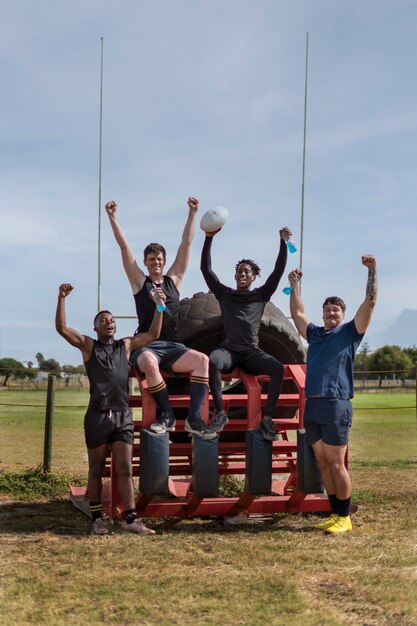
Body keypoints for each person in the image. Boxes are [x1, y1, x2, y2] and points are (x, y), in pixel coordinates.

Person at [56, 282, 166, 536]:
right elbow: (62, 328)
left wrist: (160, 306)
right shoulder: (88, 347)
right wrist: (61, 298)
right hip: (97, 417)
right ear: (95, 328)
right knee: (96, 469)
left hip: (122, 416)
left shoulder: (125, 346)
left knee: (125, 470)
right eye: (103, 320)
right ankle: (97, 519)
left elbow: (152, 335)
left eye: (111, 319)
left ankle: (131, 519)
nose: (108, 322)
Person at [105, 198, 215, 441]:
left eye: (159, 258)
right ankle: (166, 415)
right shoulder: (139, 282)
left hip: (173, 347)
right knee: (150, 363)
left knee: (202, 361)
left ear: (164, 262)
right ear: (145, 262)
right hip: (147, 346)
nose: (156, 262)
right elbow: (125, 249)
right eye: (151, 259)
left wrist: (192, 213)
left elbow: (186, 244)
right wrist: (113, 218)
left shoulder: (173, 280)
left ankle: (194, 419)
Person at [288, 255, 377, 534]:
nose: (331, 313)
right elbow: (297, 314)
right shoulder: (315, 334)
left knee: (337, 463)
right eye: (327, 309)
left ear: (342, 313)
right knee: (324, 462)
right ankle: (335, 513)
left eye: (336, 309)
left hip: (336, 404)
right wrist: (294, 286)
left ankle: (346, 517)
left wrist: (372, 271)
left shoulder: (351, 332)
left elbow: (371, 302)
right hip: (312, 405)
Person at [200, 226, 292, 439]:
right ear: (235, 275)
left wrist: (282, 243)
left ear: (254, 277)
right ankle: (221, 414)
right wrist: (208, 238)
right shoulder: (225, 294)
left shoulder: (261, 295)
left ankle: (267, 420)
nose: (242, 274)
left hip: (251, 353)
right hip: (229, 351)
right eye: (239, 271)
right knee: (213, 361)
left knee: (277, 368)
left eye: (246, 271)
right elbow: (206, 270)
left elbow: (278, 271)